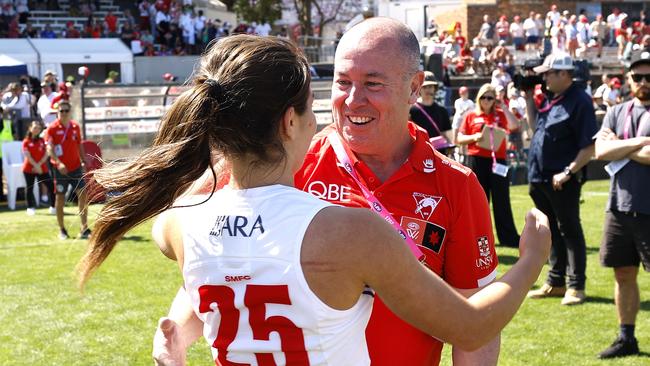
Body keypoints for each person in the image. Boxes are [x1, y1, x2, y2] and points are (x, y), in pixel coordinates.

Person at [74, 31, 551, 366]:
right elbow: (472, 323)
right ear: (290, 120)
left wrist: (177, 337)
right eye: (342, 82)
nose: (351, 99)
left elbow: (209, 253)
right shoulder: (293, 172)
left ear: (415, 88)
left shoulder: (455, 184)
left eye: (373, 83)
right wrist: (531, 260)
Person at [525, 52, 597, 305]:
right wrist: (526, 97)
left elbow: (589, 146)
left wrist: (568, 172)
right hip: (540, 176)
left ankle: (576, 285)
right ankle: (556, 282)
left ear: (564, 74)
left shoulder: (580, 101)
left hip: (561, 179)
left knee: (569, 230)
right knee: (550, 231)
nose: (544, 78)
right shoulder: (551, 99)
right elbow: (535, 128)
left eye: (548, 73)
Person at [594, 51, 650, 359]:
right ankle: (627, 338)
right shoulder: (618, 111)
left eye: (648, 78)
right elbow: (601, 151)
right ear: (628, 80)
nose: (643, 83)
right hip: (618, 206)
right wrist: (640, 143)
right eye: (637, 77)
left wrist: (621, 147)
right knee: (623, 274)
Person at [456, 84, 521, 248]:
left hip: (497, 162)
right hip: (476, 160)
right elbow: (459, 138)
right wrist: (475, 137)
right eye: (484, 97)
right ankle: (477, 237)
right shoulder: (471, 115)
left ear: (494, 100)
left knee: (502, 200)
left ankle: (508, 238)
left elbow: (514, 126)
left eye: (490, 98)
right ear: (478, 98)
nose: (486, 101)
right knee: (478, 201)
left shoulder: (500, 114)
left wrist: (504, 106)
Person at [45, 101, 91, 240]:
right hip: (60, 169)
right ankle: (62, 229)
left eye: (66, 110)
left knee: (83, 194)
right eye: (61, 111)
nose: (64, 113)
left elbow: (79, 145)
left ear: (69, 112)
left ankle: (84, 228)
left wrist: (83, 160)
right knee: (60, 198)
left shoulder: (75, 126)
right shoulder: (52, 128)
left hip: (76, 167)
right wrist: (59, 164)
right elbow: (49, 149)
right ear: (57, 113)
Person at [408, 71, 453, 143]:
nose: (428, 90)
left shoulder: (442, 110)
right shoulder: (411, 110)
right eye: (425, 87)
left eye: (430, 87)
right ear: (419, 89)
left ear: (435, 88)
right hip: (420, 150)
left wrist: (450, 145)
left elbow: (447, 134)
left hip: (439, 150)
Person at [22, 121, 55, 215]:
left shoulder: (42, 140)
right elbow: (27, 156)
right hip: (29, 169)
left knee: (51, 186)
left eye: (38, 128)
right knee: (29, 188)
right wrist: (36, 166)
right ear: (30, 128)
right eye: (35, 127)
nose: (36, 129)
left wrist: (39, 165)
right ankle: (30, 207)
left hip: (42, 169)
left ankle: (53, 207)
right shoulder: (26, 141)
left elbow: (47, 153)